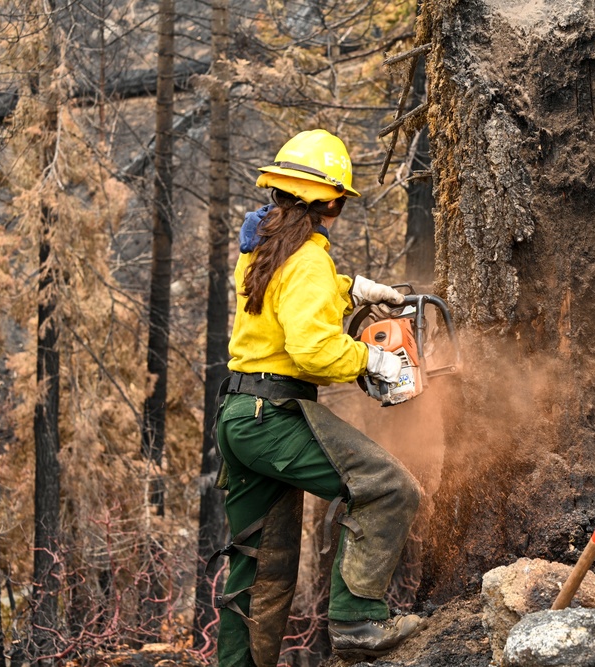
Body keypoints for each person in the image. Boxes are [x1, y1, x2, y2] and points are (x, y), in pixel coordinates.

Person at [207, 129, 425, 666]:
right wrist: (371, 360)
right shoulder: (304, 259)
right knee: (386, 487)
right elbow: (310, 349)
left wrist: (354, 288)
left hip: (240, 414)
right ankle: (356, 621)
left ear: (279, 192)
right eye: (339, 204)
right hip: (273, 415)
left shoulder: (262, 248)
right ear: (329, 201)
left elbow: (291, 296)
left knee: (261, 569)